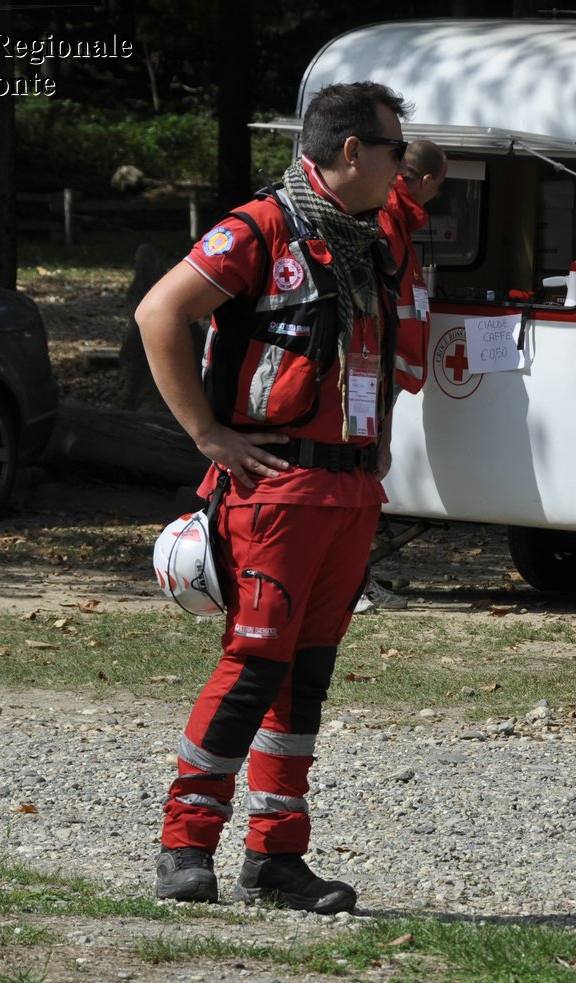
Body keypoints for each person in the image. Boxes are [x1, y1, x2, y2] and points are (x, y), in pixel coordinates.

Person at [135, 80, 412, 914]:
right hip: (277, 486)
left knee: (306, 677)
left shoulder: (369, 238)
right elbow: (159, 312)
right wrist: (208, 437)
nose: (404, 166)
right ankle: (185, 846)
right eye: (396, 150)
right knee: (253, 664)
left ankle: (277, 856)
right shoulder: (263, 226)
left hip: (348, 487)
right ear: (353, 151)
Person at [355, 139, 450, 614]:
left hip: (377, 372)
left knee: (368, 470)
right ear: (427, 180)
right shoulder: (388, 217)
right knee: (363, 472)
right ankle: (353, 583)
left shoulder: (394, 216)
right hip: (371, 373)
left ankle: (355, 579)